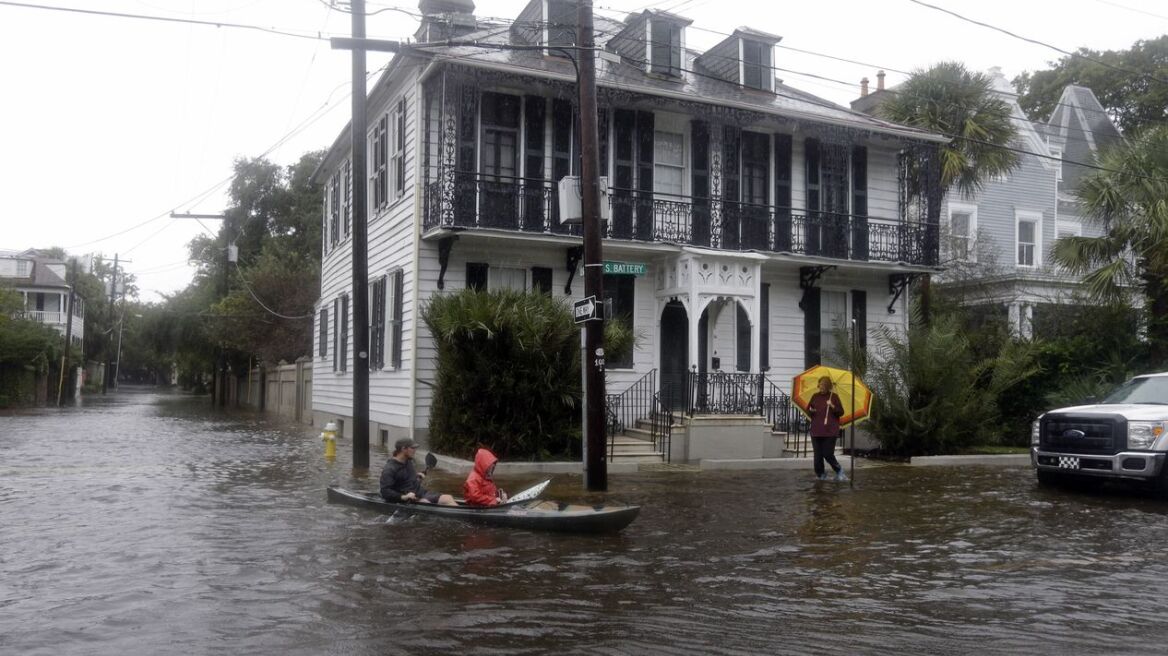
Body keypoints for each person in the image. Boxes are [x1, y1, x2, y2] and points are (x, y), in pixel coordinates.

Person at [379, 438, 457, 505]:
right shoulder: (389, 469)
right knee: (426, 503)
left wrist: (417, 476)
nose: (415, 450)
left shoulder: (408, 461)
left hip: (421, 493)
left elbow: (405, 478)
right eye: (412, 448)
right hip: (409, 499)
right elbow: (385, 491)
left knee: (448, 498)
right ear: (403, 449)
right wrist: (404, 497)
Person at [808, 375, 847, 481]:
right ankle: (821, 476)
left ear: (828, 386)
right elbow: (809, 409)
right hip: (816, 430)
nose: (822, 387)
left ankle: (839, 471)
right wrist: (811, 411)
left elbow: (841, 412)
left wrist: (833, 406)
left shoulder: (833, 397)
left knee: (828, 454)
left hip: (830, 431)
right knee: (817, 458)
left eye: (824, 385)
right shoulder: (815, 396)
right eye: (820, 384)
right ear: (818, 385)